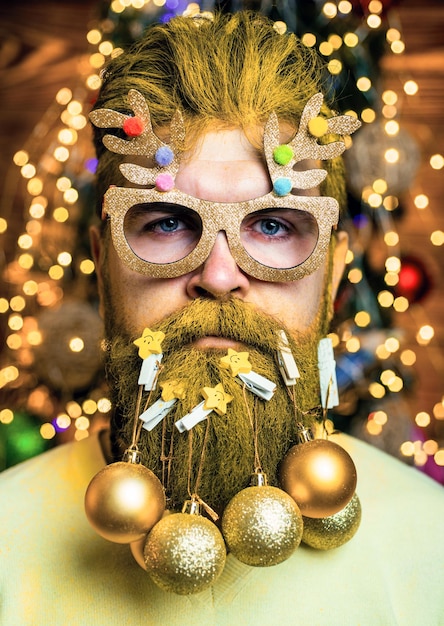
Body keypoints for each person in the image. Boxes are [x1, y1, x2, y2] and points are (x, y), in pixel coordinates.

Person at [1, 11, 443, 625]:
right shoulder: (5, 541)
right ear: (103, 271)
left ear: (335, 275)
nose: (217, 275)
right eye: (165, 222)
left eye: (272, 226)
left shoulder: (432, 545)